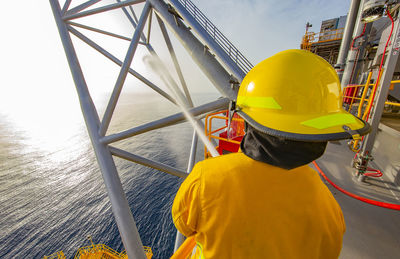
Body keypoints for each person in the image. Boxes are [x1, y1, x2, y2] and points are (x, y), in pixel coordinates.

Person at [171, 49, 370, 259]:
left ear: (249, 122)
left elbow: (184, 225)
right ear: (320, 134)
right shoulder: (329, 210)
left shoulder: (206, 178)